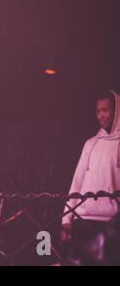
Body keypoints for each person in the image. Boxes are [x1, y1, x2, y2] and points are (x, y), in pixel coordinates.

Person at [61, 90, 120, 247]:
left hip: (112, 222)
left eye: (105, 110)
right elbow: (77, 182)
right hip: (83, 218)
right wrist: (66, 219)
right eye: (97, 111)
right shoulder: (90, 144)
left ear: (116, 111)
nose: (100, 115)